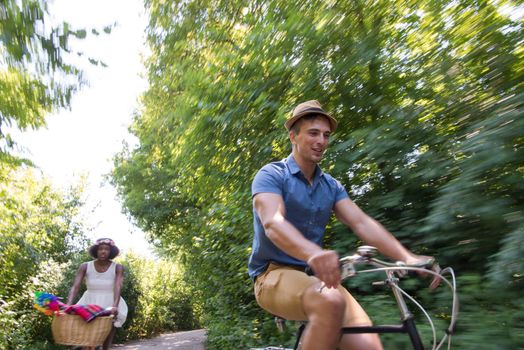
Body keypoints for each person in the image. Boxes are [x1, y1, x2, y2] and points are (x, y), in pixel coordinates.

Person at [248, 100, 439, 350]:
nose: (321, 141)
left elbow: (361, 222)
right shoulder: (272, 175)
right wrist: (313, 253)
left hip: (316, 279)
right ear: (293, 136)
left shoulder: (331, 186)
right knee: (330, 301)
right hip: (272, 275)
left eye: (326, 135)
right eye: (313, 133)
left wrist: (407, 257)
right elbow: (273, 222)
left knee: (369, 345)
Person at [67, 238, 128, 350]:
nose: (103, 251)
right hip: (89, 302)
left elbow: (118, 286)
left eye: (106, 249)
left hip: (109, 302)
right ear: (96, 250)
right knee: (88, 340)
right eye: (100, 249)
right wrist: (68, 304)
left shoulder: (117, 267)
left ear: (111, 252)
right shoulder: (85, 266)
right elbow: (75, 286)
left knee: (106, 341)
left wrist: (115, 305)